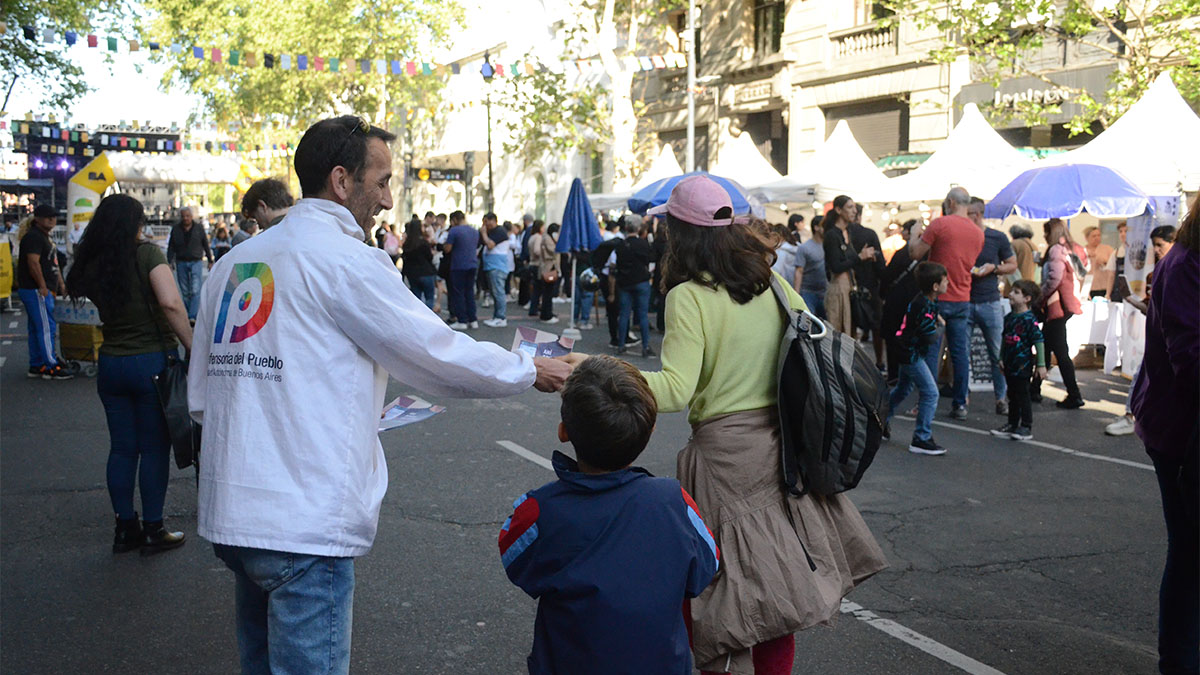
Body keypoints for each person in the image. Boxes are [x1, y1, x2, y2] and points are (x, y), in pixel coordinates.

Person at [188, 115, 572, 674]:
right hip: (303, 523)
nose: (389, 201)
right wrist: (526, 369)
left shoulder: (230, 266)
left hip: (235, 514)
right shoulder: (345, 260)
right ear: (342, 181)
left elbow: (203, 397)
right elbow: (432, 350)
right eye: (383, 181)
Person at [568, 175, 886, 674]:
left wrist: (594, 367)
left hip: (725, 459)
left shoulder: (689, 297)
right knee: (775, 595)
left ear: (679, 234)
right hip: (784, 449)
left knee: (715, 592)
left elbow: (675, 389)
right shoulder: (773, 284)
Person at [499, 355, 720, 674]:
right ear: (650, 430)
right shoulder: (676, 502)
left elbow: (516, 564)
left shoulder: (539, 510)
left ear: (564, 431)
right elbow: (707, 566)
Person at [66, 194, 193, 554]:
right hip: (150, 362)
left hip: (111, 364)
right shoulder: (147, 254)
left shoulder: (93, 261)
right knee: (154, 448)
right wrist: (193, 346)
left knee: (122, 448)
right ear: (134, 223)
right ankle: (153, 528)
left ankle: (125, 528)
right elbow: (170, 302)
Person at [1129, 201, 1197, 675]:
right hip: (1181, 432)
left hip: (1177, 423)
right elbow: (1190, 361)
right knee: (1192, 551)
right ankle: (1180, 662)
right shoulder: (1187, 265)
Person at [908, 187, 985, 420]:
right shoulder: (978, 232)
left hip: (937, 297)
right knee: (960, 353)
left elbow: (915, 253)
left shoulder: (939, 225)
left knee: (931, 350)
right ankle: (960, 403)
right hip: (963, 297)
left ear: (950, 202)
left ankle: (925, 402)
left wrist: (914, 234)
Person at [884, 262, 949, 456]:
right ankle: (921, 437)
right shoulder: (923, 305)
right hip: (910, 353)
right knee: (930, 393)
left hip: (909, 350)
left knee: (903, 388)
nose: (948, 283)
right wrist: (941, 327)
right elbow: (929, 335)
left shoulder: (927, 301)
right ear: (935, 286)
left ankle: (878, 420)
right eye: (945, 280)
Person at [967, 197, 1017, 416]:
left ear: (976, 214)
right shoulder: (961, 237)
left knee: (996, 353)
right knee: (961, 353)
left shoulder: (996, 237)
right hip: (965, 301)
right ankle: (961, 399)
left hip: (989, 300)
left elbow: (1012, 264)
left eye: (966, 213)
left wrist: (993, 268)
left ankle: (1001, 397)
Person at [17, 204, 72, 380]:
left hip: (39, 288)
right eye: (47, 217)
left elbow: (53, 264)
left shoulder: (44, 238)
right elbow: (33, 263)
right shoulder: (34, 237)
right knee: (46, 327)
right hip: (36, 289)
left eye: (54, 216)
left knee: (36, 328)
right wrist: (42, 286)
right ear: (37, 219)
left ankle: (37, 364)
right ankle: (51, 364)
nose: (52, 219)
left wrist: (61, 284)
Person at [1035, 218, 1084, 409]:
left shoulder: (1056, 249)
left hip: (1056, 305)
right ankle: (1035, 388)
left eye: (1046, 232)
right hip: (1067, 303)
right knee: (1048, 345)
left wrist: (1040, 296)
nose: (1045, 236)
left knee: (1059, 351)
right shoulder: (1073, 247)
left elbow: (1054, 278)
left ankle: (1074, 394)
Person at [991, 280, 1048, 441]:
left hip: (1023, 364)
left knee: (1023, 394)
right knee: (1012, 394)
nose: (1011, 294)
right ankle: (1012, 423)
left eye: (1016, 292)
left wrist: (1041, 364)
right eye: (1012, 291)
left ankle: (1026, 425)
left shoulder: (1029, 319)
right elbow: (1004, 338)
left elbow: (1039, 341)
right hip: (1010, 362)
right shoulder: (1009, 317)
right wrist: (1001, 357)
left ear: (1027, 298)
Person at [880, 219, 925, 385]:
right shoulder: (926, 253)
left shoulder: (902, 252)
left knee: (893, 337)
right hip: (918, 301)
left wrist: (882, 294)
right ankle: (913, 376)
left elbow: (887, 275)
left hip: (897, 300)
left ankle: (895, 374)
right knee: (913, 338)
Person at [823, 195, 873, 335]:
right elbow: (836, 267)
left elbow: (849, 261)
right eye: (850, 207)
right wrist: (859, 257)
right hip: (838, 291)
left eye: (854, 207)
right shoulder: (832, 235)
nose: (854, 211)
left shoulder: (848, 232)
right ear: (838, 210)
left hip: (850, 289)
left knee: (849, 333)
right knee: (838, 334)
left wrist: (865, 257)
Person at [610, 218, 655, 357]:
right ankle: (645, 346)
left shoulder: (621, 245)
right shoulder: (643, 243)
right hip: (641, 281)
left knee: (624, 315)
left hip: (624, 282)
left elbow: (616, 264)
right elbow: (650, 260)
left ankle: (621, 345)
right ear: (638, 229)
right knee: (642, 315)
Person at [849, 208, 886, 367]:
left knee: (850, 325)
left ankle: (852, 361)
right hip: (870, 285)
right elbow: (880, 263)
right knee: (876, 326)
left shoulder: (840, 235)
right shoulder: (869, 234)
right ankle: (879, 361)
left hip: (849, 285)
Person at [166, 206, 213, 320]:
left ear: (191, 217)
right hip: (181, 261)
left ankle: (192, 315)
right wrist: (169, 261)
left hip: (196, 261)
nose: (185, 218)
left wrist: (210, 260)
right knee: (185, 290)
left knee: (195, 289)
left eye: (187, 216)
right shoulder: (176, 229)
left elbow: (205, 244)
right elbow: (171, 246)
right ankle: (187, 314)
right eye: (183, 216)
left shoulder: (199, 228)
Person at [444, 210, 480, 330]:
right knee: (469, 292)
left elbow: (448, 249)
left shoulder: (454, 231)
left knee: (458, 293)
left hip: (458, 265)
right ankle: (473, 319)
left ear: (454, 220)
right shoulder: (474, 231)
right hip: (472, 264)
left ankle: (462, 320)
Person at [791, 214, 827, 319]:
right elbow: (799, 271)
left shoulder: (829, 245)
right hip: (808, 292)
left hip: (825, 292)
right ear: (816, 227)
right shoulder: (805, 248)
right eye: (824, 226)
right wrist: (796, 295)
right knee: (809, 322)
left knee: (827, 324)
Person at [480, 212, 512, 327]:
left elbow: (490, 245)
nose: (485, 225)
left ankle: (501, 317)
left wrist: (483, 233)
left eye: (487, 222)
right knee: (495, 292)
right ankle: (496, 316)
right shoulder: (493, 232)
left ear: (493, 220)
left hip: (497, 267)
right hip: (492, 266)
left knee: (498, 292)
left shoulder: (500, 231)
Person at [401, 218, 438, 309]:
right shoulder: (424, 242)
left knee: (416, 299)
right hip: (426, 272)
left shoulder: (407, 244)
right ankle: (428, 318)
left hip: (412, 274)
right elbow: (429, 257)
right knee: (429, 298)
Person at [530, 222, 561, 324]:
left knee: (547, 292)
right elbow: (552, 251)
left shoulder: (546, 238)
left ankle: (548, 313)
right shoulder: (547, 239)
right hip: (548, 269)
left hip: (548, 268)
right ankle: (546, 315)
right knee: (547, 293)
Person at [1083, 225, 1115, 298]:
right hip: (1088, 288)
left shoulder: (1108, 249)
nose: (1097, 238)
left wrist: (1105, 262)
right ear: (1086, 238)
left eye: (1098, 235)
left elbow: (1113, 267)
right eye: (1094, 236)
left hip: (1105, 288)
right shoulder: (1082, 251)